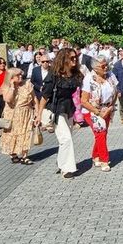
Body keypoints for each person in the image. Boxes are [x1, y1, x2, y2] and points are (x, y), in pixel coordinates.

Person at [34, 47, 84, 179]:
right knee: (66, 138)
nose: (74, 60)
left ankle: (61, 163)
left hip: (69, 108)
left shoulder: (76, 74)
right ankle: (67, 169)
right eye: (71, 58)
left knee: (66, 139)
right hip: (56, 109)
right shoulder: (54, 75)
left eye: (75, 58)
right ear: (64, 59)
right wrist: (39, 114)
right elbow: (45, 96)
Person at [80, 55, 119, 172]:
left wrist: (110, 107)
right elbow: (83, 101)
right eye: (103, 65)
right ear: (96, 68)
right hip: (92, 111)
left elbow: (116, 92)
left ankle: (95, 156)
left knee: (102, 134)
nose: (106, 67)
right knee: (101, 133)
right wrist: (97, 112)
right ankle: (104, 160)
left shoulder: (111, 75)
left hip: (107, 109)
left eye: (106, 64)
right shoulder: (89, 78)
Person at [0, 67, 37, 165]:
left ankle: (25, 156)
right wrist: (12, 86)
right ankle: (13, 154)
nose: (21, 76)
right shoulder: (6, 86)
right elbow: (8, 99)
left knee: (26, 133)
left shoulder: (27, 84)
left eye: (21, 74)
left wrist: (37, 112)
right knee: (11, 134)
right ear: (11, 77)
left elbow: (34, 99)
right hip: (11, 115)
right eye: (18, 75)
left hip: (26, 113)